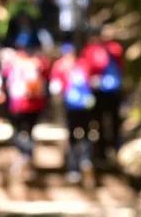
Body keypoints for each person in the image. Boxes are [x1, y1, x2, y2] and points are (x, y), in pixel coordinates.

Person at [0, 35, 49, 175]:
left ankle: (26, 154)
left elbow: (5, 77)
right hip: (34, 104)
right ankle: (27, 156)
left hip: (19, 104)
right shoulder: (37, 62)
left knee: (16, 132)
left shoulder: (13, 62)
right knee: (28, 132)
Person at [50, 43, 96, 184]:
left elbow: (55, 88)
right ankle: (84, 161)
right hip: (84, 105)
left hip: (72, 106)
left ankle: (76, 167)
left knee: (74, 136)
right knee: (84, 134)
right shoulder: (81, 65)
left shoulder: (62, 66)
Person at [82, 33, 124, 164]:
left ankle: (113, 148)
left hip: (112, 92)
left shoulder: (113, 48)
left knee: (113, 121)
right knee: (97, 122)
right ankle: (99, 151)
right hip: (98, 93)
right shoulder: (91, 50)